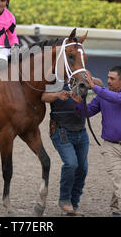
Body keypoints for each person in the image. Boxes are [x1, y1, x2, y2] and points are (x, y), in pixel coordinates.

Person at [76, 66, 121, 217]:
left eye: (112, 79)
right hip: (110, 147)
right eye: (108, 78)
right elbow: (87, 112)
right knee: (119, 180)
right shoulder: (103, 96)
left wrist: (95, 87)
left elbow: (117, 98)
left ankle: (115, 208)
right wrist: (78, 101)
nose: (108, 81)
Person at [41, 76, 103, 216]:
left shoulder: (81, 78)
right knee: (71, 163)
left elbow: (100, 84)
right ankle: (65, 201)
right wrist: (57, 95)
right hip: (61, 130)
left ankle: (73, 205)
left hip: (81, 131)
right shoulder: (55, 80)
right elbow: (43, 96)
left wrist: (89, 78)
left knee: (83, 168)